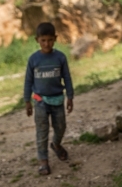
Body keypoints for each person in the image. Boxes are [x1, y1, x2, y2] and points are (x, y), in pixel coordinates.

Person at [24, 22, 74, 176]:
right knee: (42, 131)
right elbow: (28, 81)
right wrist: (27, 101)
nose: (47, 43)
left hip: (58, 100)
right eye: (43, 40)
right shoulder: (34, 59)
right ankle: (43, 161)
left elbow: (67, 77)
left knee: (61, 127)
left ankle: (56, 144)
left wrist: (70, 97)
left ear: (55, 39)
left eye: (50, 40)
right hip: (40, 102)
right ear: (37, 40)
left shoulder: (60, 57)